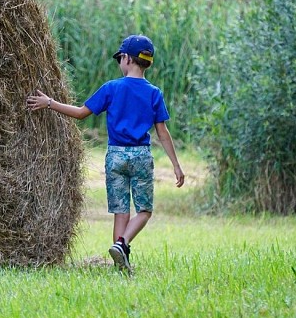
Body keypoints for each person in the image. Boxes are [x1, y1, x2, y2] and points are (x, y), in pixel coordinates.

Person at [26, 34, 185, 272]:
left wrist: (50, 102)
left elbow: (80, 113)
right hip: (141, 155)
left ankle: (120, 251)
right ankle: (122, 247)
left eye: (120, 58)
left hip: (115, 156)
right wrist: (176, 165)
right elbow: (162, 132)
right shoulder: (154, 93)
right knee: (144, 211)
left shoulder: (112, 88)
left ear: (127, 59)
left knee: (120, 212)